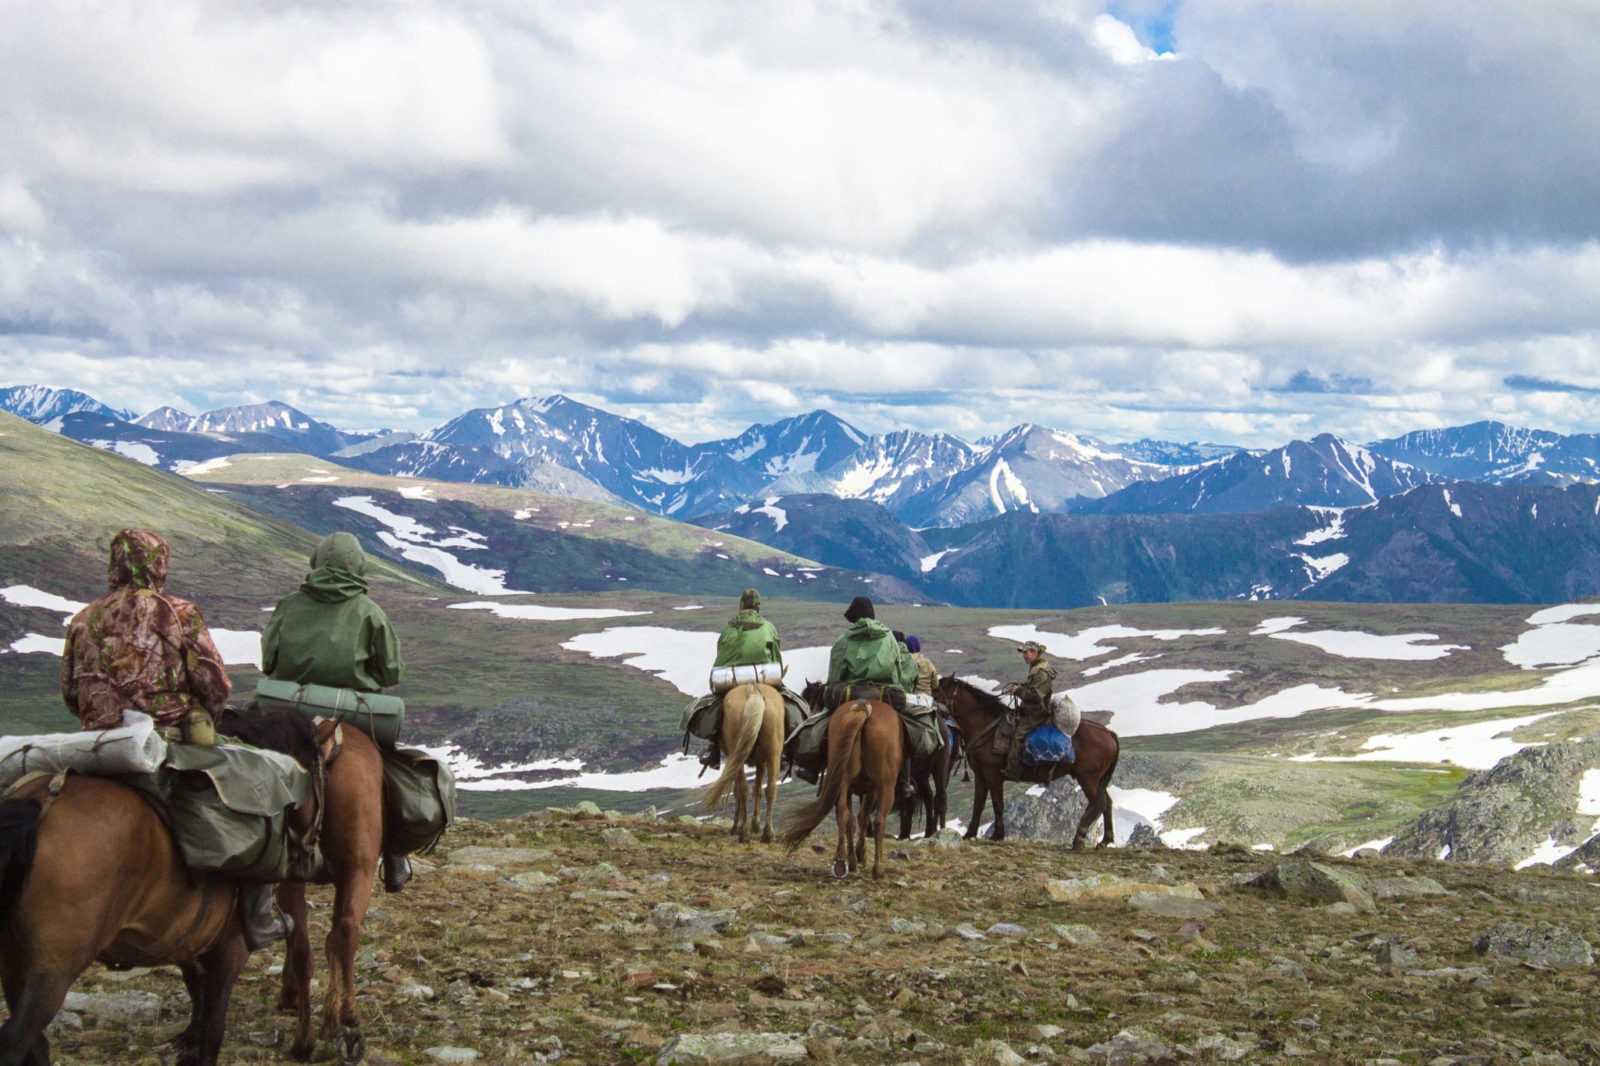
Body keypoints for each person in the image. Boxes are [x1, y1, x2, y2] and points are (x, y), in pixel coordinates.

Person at [60, 528, 290, 950]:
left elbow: (71, 692)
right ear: (159, 564)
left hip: (96, 746)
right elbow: (215, 684)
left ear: (114, 564)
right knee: (265, 786)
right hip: (166, 742)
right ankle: (259, 917)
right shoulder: (177, 613)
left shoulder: (83, 618)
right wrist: (205, 718)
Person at [262, 531, 410, 891]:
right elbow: (391, 673)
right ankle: (394, 853)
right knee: (388, 770)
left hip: (288, 705)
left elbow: (269, 662)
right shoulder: (370, 612)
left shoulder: (288, 606)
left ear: (316, 563)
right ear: (358, 566)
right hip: (353, 710)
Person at [701, 588, 783, 770]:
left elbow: (721, 658)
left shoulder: (728, 628)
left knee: (715, 710)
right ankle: (784, 749)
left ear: (741, 605)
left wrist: (714, 682)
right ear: (758, 606)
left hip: (732, 678)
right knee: (790, 708)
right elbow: (776, 657)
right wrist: (778, 680)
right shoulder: (769, 627)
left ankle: (713, 749)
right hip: (765, 677)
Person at [1002, 640, 1058, 780]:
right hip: (1031, 709)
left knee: (1017, 736)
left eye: (1026, 652)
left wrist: (1019, 691)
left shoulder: (1042, 672)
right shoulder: (1036, 667)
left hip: (1036, 713)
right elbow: (1032, 686)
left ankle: (1013, 771)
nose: (1024, 655)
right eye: (1023, 653)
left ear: (1034, 652)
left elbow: (1036, 694)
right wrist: (1021, 686)